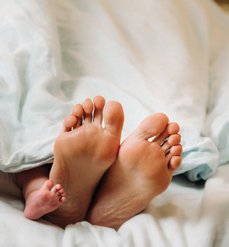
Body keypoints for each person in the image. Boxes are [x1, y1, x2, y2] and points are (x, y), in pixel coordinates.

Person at [19, 96, 183, 230]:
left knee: (27, 160)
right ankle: (104, 202)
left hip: (28, 147)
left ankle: (38, 196)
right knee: (26, 158)